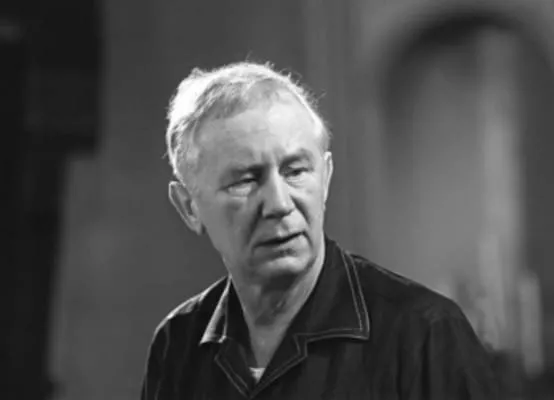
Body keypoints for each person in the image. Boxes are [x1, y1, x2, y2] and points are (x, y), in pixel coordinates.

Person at [140, 61, 499, 399]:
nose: (279, 203)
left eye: (296, 171)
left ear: (325, 178)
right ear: (189, 207)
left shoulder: (424, 333)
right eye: (246, 180)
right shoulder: (178, 345)